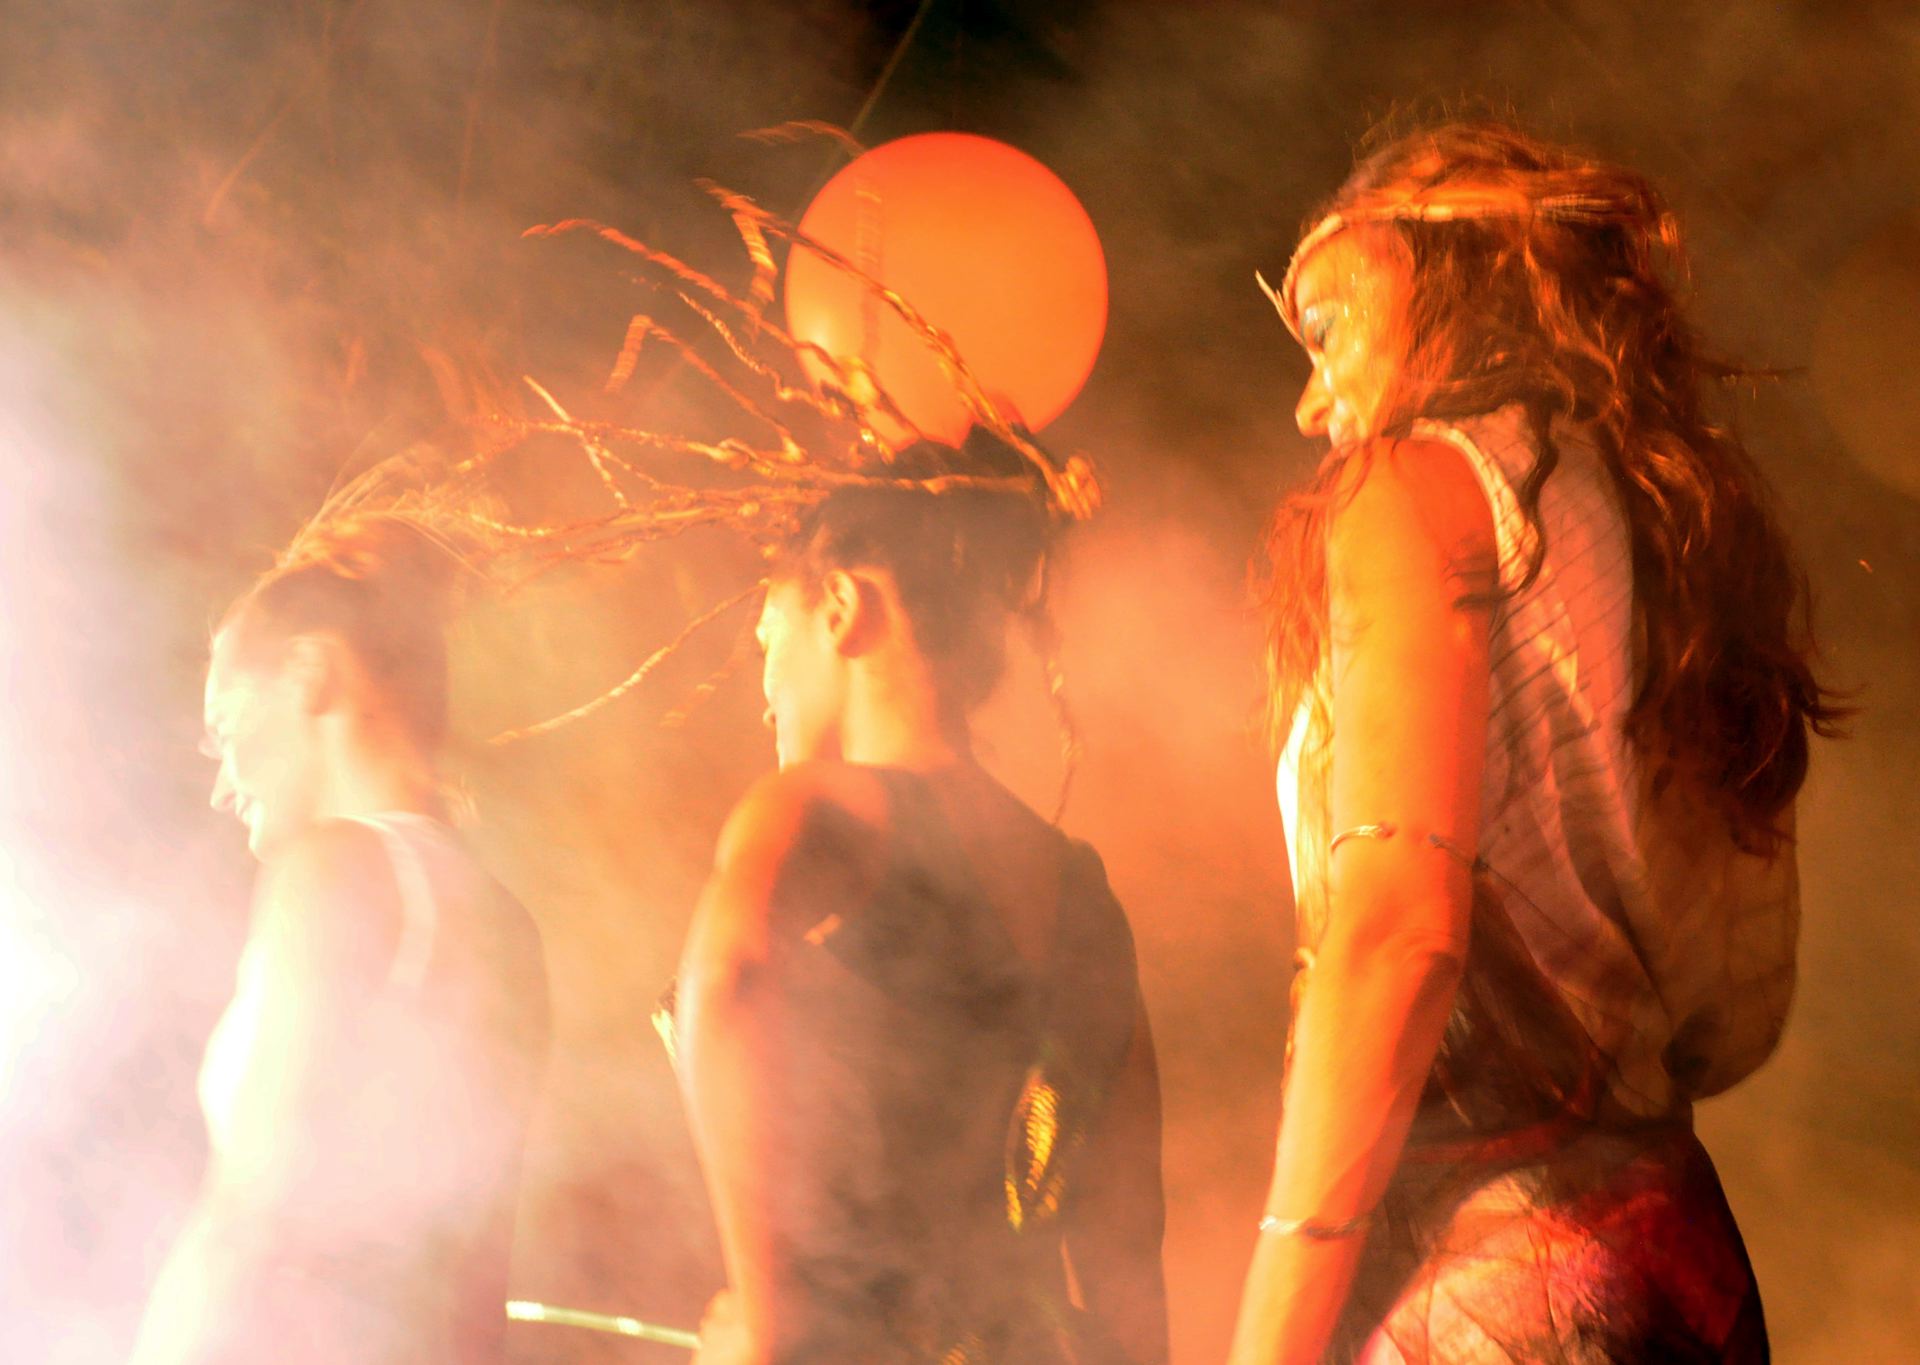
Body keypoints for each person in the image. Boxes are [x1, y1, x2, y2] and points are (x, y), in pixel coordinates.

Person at [1229, 122, 1841, 1364]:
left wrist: (1267, 1342)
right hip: (1676, 1257)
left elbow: (1396, 938)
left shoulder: (1411, 491)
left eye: (1327, 330)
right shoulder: (1648, 521)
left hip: (1498, 1293)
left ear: (1448, 280)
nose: (1311, 399)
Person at [671, 432, 1168, 1365]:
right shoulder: (1084, 891)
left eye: (769, 642)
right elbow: (1128, 1238)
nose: (765, 693)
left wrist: (772, 1323)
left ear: (841, 608)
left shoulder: (818, 809)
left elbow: (726, 983)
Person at [133, 511, 550, 1364]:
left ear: (311, 672)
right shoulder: (507, 923)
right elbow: (479, 1280)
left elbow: (251, 1214)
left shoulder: (336, 868)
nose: (222, 784)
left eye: (225, 728)